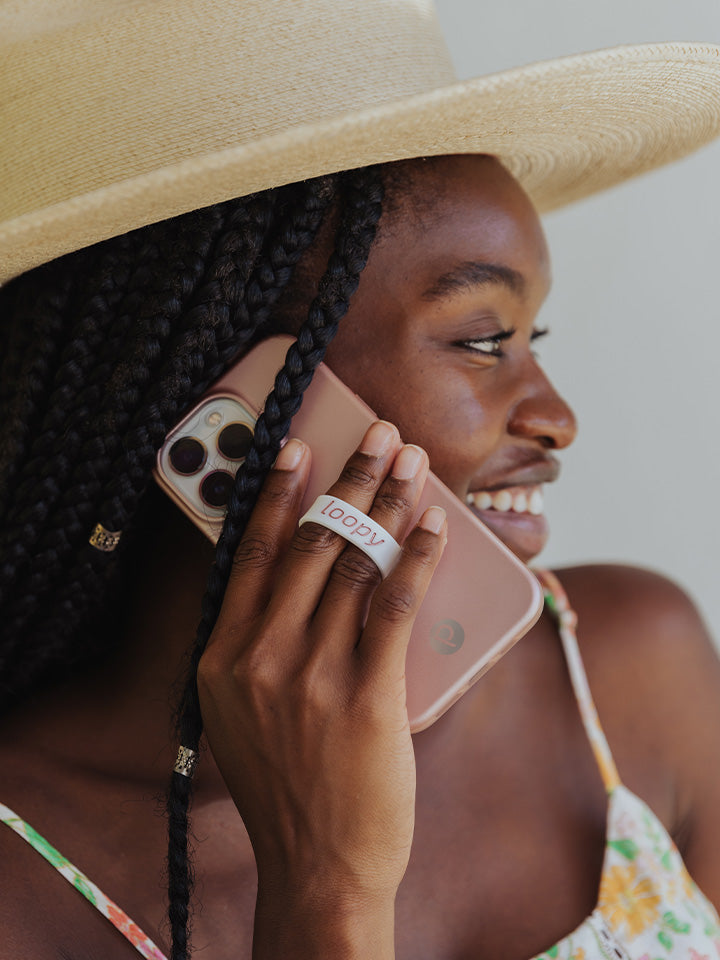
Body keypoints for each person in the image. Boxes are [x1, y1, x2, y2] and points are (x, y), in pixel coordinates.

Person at [1, 3, 719, 959]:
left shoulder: (636, 672)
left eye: (531, 339)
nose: (557, 417)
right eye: (481, 342)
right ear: (232, 399)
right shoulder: (20, 881)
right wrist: (327, 890)